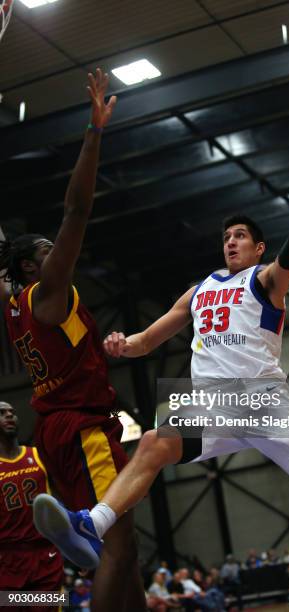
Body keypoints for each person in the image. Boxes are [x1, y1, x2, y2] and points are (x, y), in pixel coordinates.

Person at [33, 131, 289, 612]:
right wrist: (121, 344)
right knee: (151, 442)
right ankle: (92, 525)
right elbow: (149, 339)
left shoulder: (268, 278)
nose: (231, 242)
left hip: (264, 403)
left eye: (240, 237)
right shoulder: (200, 289)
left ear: (257, 248)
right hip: (215, 405)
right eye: (226, 238)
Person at [0, 70, 146, 611]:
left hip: (64, 429)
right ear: (31, 265)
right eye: (45, 248)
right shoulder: (46, 293)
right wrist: (93, 131)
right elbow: (77, 211)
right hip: (81, 429)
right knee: (115, 546)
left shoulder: (14, 302)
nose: (55, 248)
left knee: (125, 551)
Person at [0, 401, 63, 610]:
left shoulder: (38, 455)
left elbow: (66, 499)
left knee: (55, 604)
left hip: (45, 554)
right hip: (7, 559)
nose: (10, 416)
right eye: (2, 413)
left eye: (12, 412)